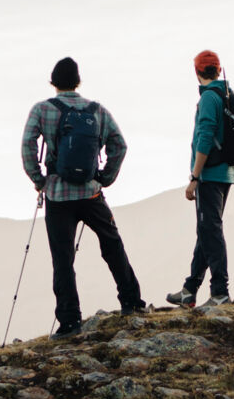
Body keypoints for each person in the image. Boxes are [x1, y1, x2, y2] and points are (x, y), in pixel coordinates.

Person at [20, 57, 144, 338]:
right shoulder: (97, 110)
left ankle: (69, 322)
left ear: (53, 82)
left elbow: (27, 145)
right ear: (78, 81)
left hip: (58, 195)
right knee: (112, 245)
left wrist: (39, 180)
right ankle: (132, 302)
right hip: (91, 193)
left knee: (63, 259)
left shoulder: (42, 109)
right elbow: (119, 145)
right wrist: (104, 178)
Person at [169, 49, 234, 309]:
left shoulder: (209, 97)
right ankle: (190, 289)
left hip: (209, 174)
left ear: (197, 72)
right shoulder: (227, 95)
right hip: (226, 172)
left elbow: (205, 136)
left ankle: (220, 291)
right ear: (218, 70)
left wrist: (195, 176)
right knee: (207, 230)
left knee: (211, 230)